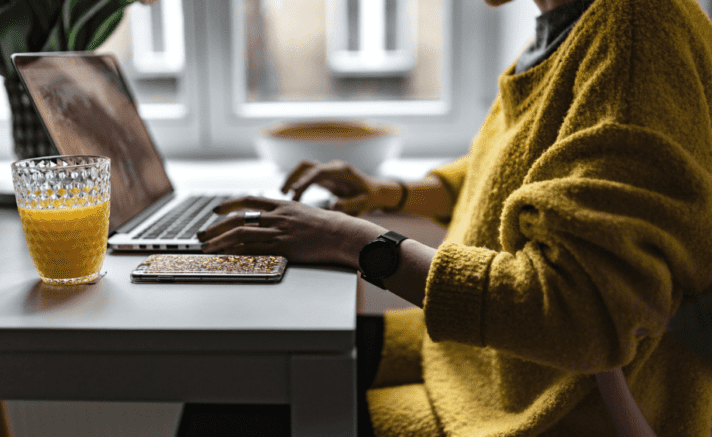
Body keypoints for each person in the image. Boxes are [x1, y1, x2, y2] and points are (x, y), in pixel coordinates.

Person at [180, 0, 712, 434]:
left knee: (223, 419)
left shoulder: (638, 28)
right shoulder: (566, 29)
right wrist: (389, 193)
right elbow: (511, 173)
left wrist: (357, 243)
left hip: (550, 406)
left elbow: (582, 315)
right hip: (482, 365)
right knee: (236, 382)